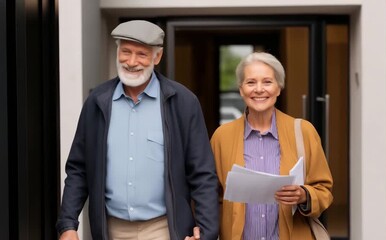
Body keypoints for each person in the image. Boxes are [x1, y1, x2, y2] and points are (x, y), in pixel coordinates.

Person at [56, 20, 219, 240]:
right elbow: (78, 169)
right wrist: (67, 225)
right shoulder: (97, 101)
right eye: (126, 52)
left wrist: (207, 231)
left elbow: (202, 173)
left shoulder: (183, 102)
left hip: (164, 230)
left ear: (157, 57)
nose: (132, 62)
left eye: (141, 54)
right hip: (110, 229)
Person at [210, 52, 333, 240]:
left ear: (278, 88)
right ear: (241, 89)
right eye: (251, 82)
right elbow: (209, 194)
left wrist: (303, 195)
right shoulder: (221, 137)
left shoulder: (304, 131)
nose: (259, 89)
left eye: (267, 82)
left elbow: (324, 190)